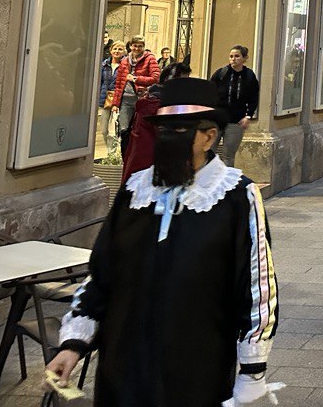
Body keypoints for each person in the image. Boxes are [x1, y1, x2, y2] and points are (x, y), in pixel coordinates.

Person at [47, 78, 280, 407]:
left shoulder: (236, 195)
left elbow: (257, 284)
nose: (167, 138)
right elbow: (102, 272)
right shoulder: (136, 189)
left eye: (180, 130)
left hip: (197, 365)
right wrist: (73, 344)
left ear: (209, 136)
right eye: (164, 129)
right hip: (123, 363)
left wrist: (252, 371)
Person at [121, 61, 190, 184]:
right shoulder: (158, 106)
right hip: (148, 167)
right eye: (183, 81)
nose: (185, 86)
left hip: (142, 165)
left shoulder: (154, 100)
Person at [210, 45, 260, 168]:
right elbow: (209, 91)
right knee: (209, 152)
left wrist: (248, 116)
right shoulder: (221, 73)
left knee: (228, 155)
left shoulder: (249, 76)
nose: (233, 59)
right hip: (217, 119)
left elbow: (254, 98)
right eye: (231, 56)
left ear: (244, 58)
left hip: (236, 121)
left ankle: (226, 183)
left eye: (237, 56)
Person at [111, 36, 159, 161]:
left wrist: (137, 79)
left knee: (141, 130)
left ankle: (141, 157)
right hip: (126, 100)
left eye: (140, 46)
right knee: (124, 129)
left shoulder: (150, 59)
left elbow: (155, 78)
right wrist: (115, 103)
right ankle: (125, 158)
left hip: (142, 99)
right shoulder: (125, 61)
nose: (137, 48)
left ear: (143, 46)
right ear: (131, 46)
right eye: (134, 45)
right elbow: (119, 83)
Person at [98, 40, 126, 155]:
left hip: (120, 100)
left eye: (120, 49)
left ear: (124, 51)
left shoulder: (126, 66)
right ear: (110, 50)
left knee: (115, 129)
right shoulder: (104, 65)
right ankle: (110, 151)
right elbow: (100, 82)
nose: (117, 51)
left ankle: (113, 153)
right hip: (105, 99)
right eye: (115, 49)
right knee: (104, 130)